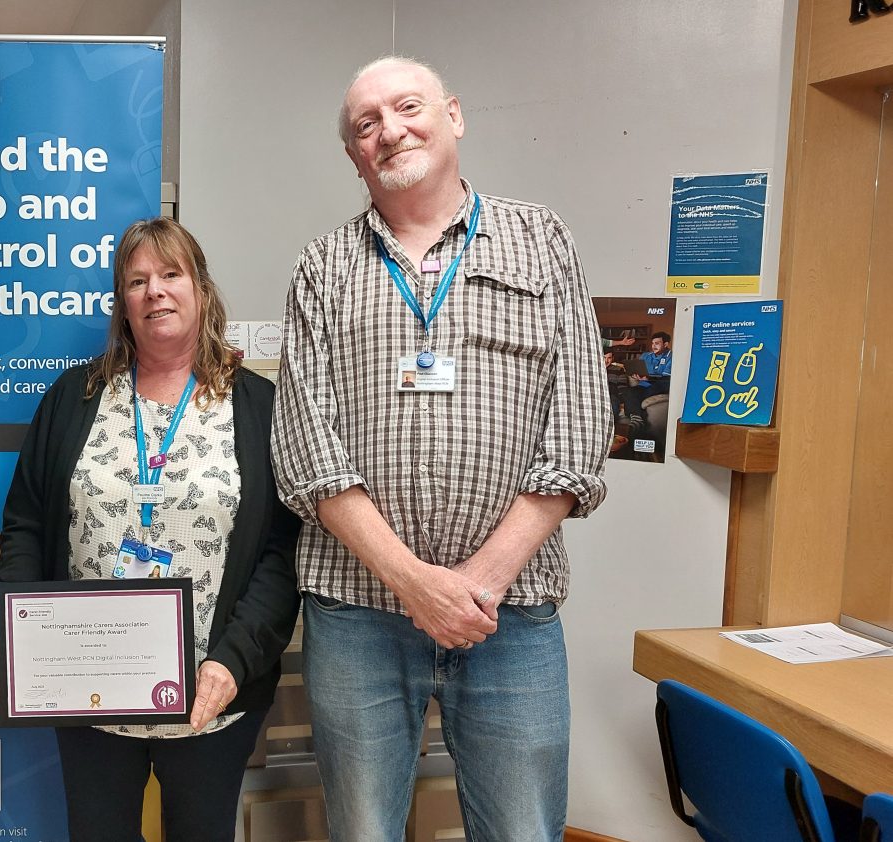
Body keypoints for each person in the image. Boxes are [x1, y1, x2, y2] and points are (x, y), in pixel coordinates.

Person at [272, 57, 610, 841]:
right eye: (366, 124)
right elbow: (306, 450)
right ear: (354, 155)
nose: (389, 130)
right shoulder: (322, 268)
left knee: (523, 830)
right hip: (357, 612)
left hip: (511, 614)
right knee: (361, 830)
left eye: (407, 107)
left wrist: (479, 584)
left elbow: (580, 426)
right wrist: (414, 583)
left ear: (452, 115)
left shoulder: (541, 239)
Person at [0, 217, 301, 842]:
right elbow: (25, 523)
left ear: (201, 290)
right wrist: (14, 640)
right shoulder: (73, 397)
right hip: (89, 696)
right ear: (122, 304)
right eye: (137, 280)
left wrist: (231, 663)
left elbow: (281, 552)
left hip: (210, 698)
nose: (154, 291)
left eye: (170, 274)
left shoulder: (257, 406)